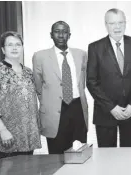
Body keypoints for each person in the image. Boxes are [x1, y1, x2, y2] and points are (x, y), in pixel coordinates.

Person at [87, 8, 131, 147]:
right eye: (112, 23)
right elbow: (91, 81)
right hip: (105, 114)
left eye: (120, 22)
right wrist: (111, 107)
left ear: (125, 23)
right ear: (106, 25)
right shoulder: (95, 47)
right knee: (107, 160)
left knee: (130, 158)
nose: (117, 27)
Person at [0, 31, 41, 159]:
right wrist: (2, 130)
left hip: (28, 138)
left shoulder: (28, 72)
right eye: (10, 45)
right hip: (6, 138)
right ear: (3, 49)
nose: (14, 48)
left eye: (18, 45)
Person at [33, 21, 88, 154]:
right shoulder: (40, 56)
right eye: (57, 31)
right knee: (56, 156)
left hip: (77, 108)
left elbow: (83, 82)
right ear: (51, 35)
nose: (61, 35)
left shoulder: (81, 54)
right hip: (54, 111)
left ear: (69, 35)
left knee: (79, 153)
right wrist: (50, 99)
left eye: (64, 32)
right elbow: (38, 86)